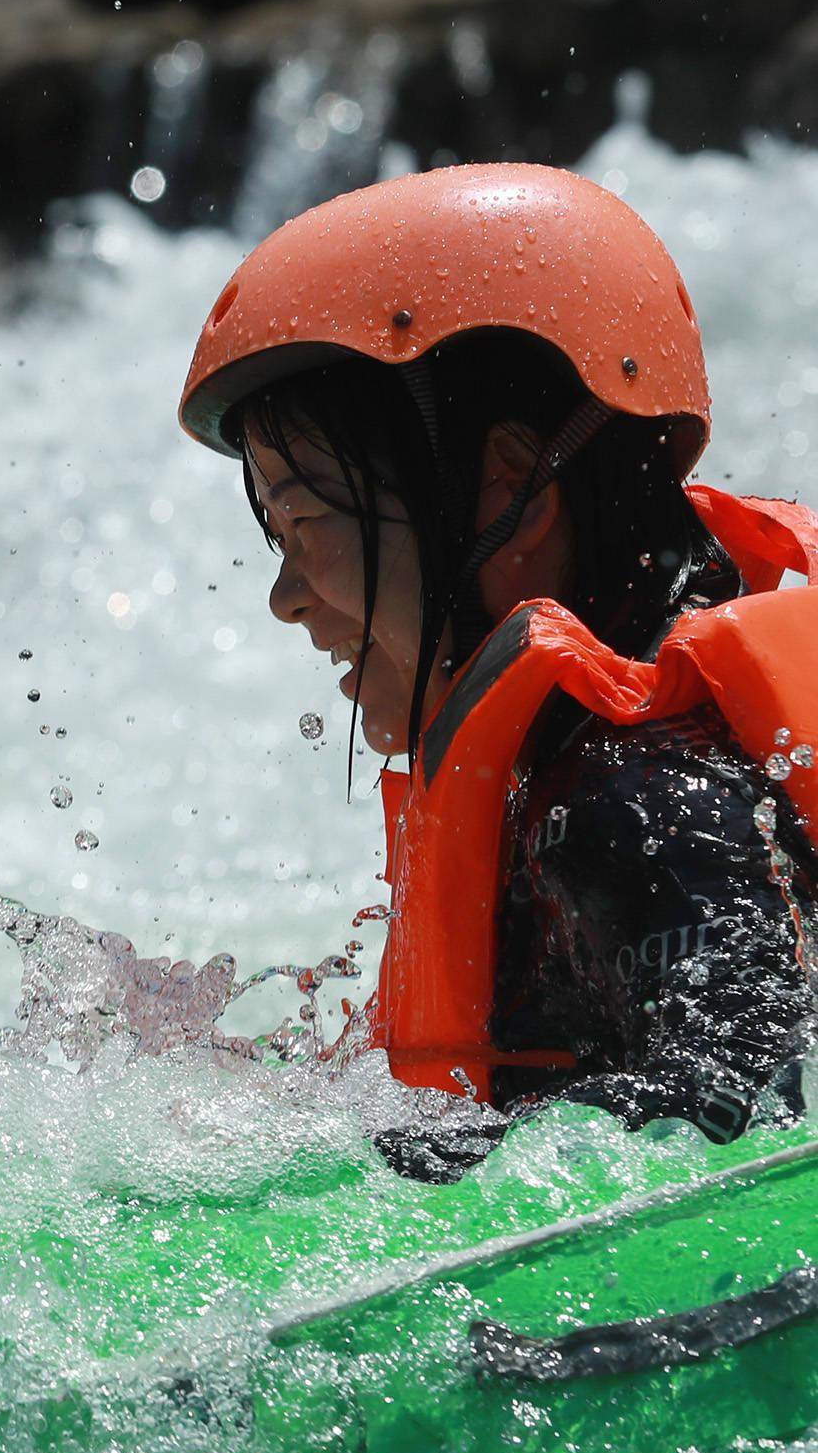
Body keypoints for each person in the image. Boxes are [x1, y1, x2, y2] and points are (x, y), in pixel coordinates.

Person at [176, 163, 818, 1171]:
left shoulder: (651, 796)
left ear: (509, 489)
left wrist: (399, 1162)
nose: (286, 595)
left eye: (304, 519)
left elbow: (743, 1117)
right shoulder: (579, 774)